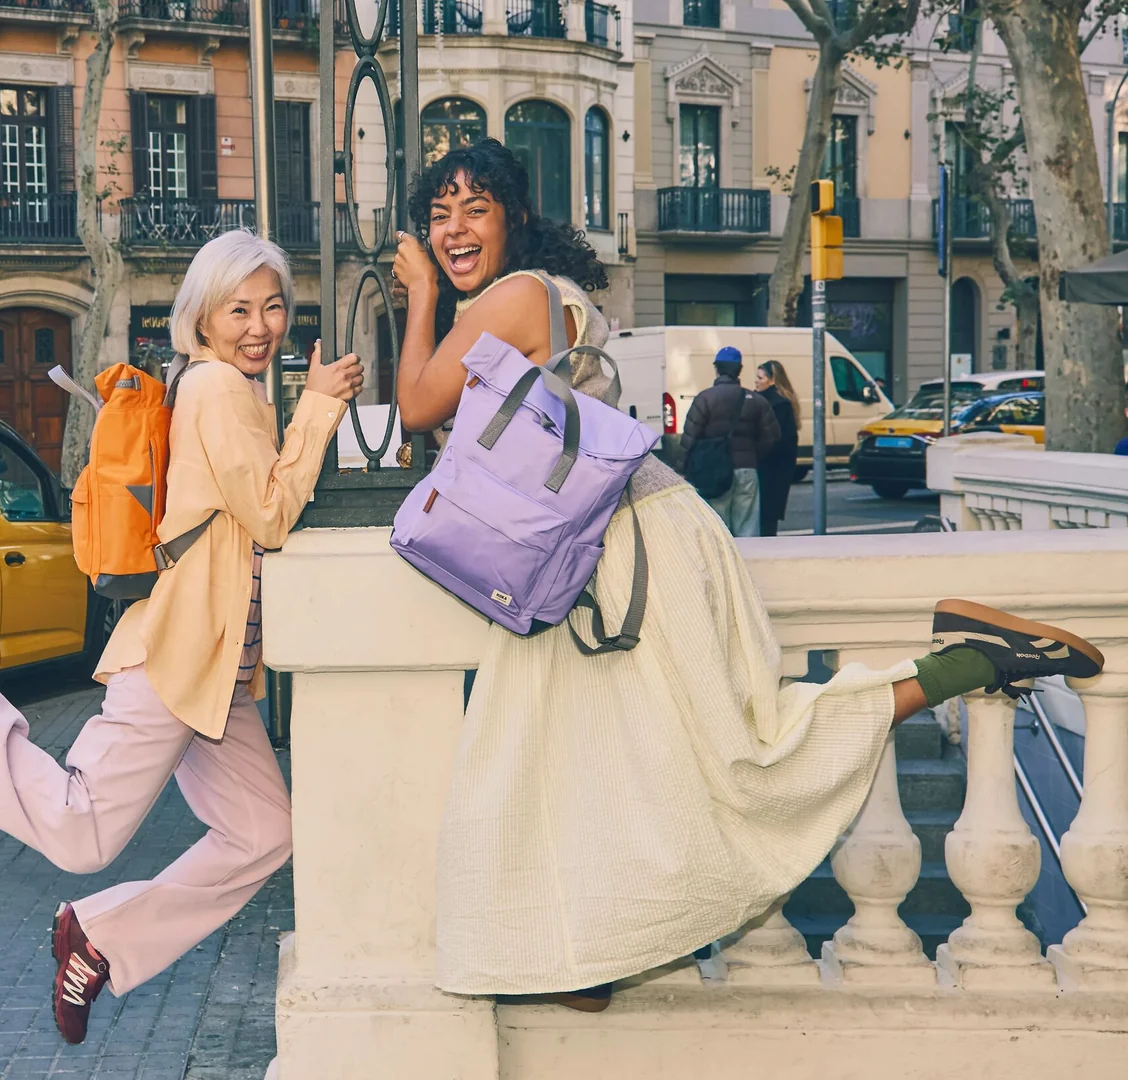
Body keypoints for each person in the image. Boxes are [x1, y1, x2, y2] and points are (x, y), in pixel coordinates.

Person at [388, 139, 1104, 1012]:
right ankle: (584, 955)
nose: (454, 229)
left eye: (475, 209)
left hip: (627, 550)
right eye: (439, 214)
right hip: (610, 550)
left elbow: (420, 405)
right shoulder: (552, 295)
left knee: (738, 758)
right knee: (584, 754)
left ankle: (967, 664)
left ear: (515, 221)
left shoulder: (514, 297)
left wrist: (421, 291)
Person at [0, 230, 365, 1045]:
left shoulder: (226, 388)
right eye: (239, 309)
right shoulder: (220, 391)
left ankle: (99, 941)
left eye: (273, 307)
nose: (259, 326)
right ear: (203, 312)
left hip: (217, 672)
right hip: (177, 656)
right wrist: (322, 406)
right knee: (81, 830)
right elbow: (271, 513)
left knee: (266, 833)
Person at [679, 346, 779, 537]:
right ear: (739, 370)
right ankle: (748, 564)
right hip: (747, 468)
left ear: (716, 368)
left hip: (714, 470)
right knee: (748, 526)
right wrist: (753, 456)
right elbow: (772, 436)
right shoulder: (756, 400)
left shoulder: (705, 398)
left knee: (719, 529)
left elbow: (689, 439)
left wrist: (684, 469)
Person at [754, 359, 801, 536]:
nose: (756, 381)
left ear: (772, 380)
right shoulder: (783, 401)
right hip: (779, 467)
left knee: (765, 515)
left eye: (760, 377)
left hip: (769, 466)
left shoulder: (773, 403)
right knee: (769, 515)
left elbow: (774, 438)